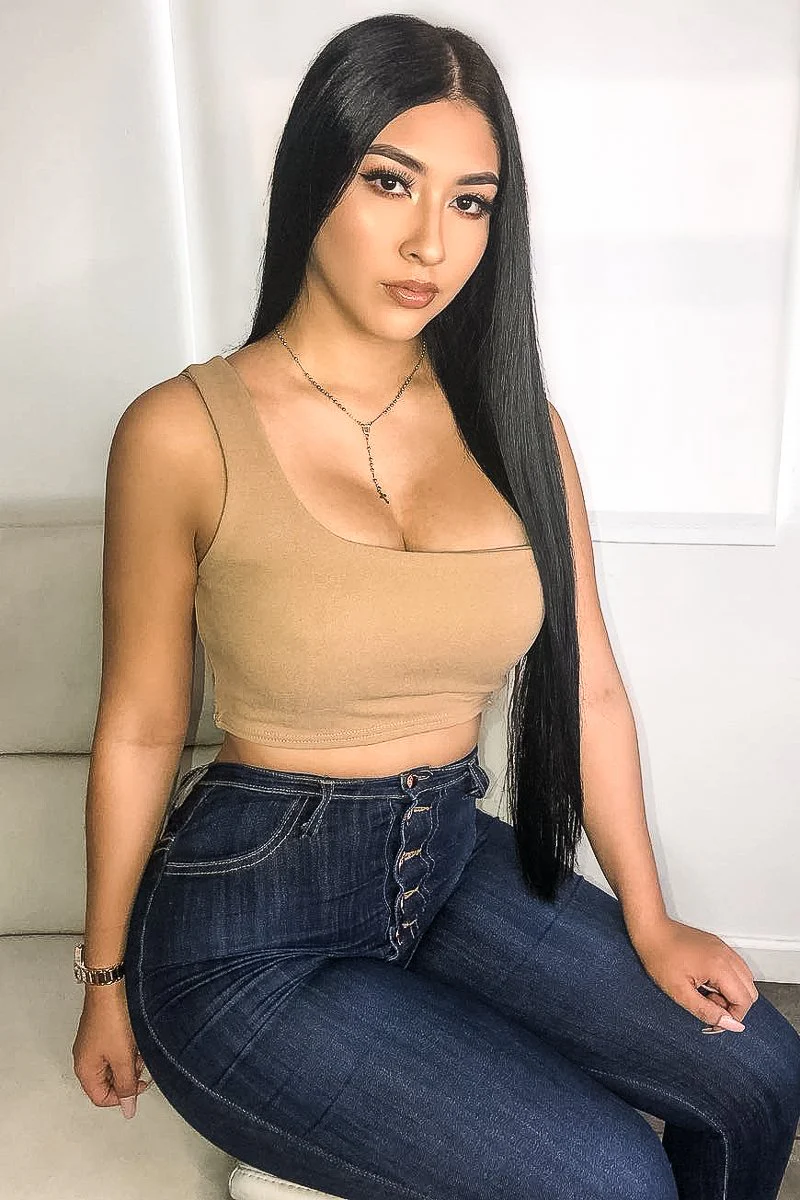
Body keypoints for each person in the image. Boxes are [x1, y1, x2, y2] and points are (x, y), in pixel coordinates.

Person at [72, 14, 800, 1199]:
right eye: (388, 182)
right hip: (247, 930)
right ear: (314, 176)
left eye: (470, 201)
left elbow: (587, 688)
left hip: (448, 861)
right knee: (609, 1178)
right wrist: (104, 980)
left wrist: (651, 919)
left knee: (759, 1072)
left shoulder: (519, 426)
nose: (429, 241)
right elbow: (144, 727)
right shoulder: (180, 431)